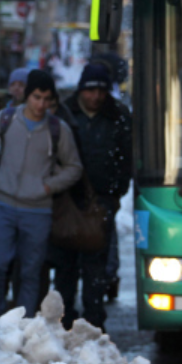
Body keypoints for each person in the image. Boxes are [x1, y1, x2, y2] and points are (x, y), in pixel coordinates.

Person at [0, 69, 83, 318]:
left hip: (38, 209)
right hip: (3, 202)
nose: (41, 104)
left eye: (46, 99)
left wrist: (49, 186)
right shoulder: (6, 119)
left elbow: (74, 167)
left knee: (31, 270)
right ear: (26, 95)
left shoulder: (58, 129)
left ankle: (23, 319)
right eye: (36, 97)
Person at [52, 64, 133, 330]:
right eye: (91, 91)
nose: (96, 97)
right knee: (65, 264)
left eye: (101, 90)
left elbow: (126, 157)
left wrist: (116, 191)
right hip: (66, 200)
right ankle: (65, 319)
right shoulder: (65, 113)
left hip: (102, 199)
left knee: (96, 265)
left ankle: (94, 320)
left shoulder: (118, 116)